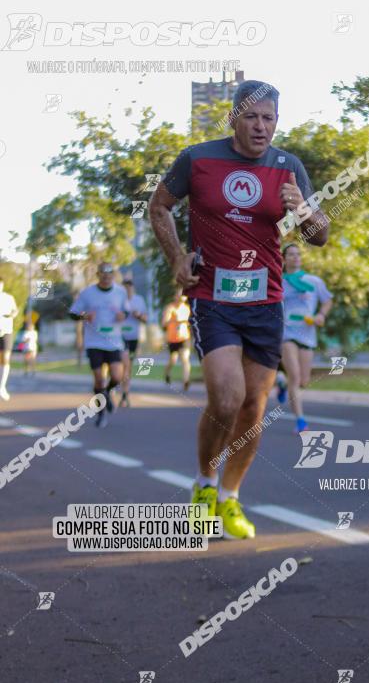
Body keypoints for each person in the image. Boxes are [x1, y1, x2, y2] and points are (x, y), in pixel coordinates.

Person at [149, 79, 329, 539]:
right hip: (213, 297)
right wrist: (176, 257)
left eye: (269, 118)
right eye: (251, 116)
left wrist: (305, 213)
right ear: (233, 118)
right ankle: (205, 485)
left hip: (265, 302)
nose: (261, 126)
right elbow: (159, 206)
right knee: (226, 399)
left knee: (252, 407)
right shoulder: (198, 158)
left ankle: (230, 497)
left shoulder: (288, 166)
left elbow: (320, 235)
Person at [278, 243, 333, 432]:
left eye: (298, 254)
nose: (295, 257)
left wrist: (321, 316)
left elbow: (327, 301)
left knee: (303, 381)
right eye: (291, 255)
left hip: (308, 334)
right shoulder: (278, 282)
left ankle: (282, 383)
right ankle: (301, 421)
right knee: (295, 377)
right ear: (284, 259)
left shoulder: (314, 281)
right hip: (287, 333)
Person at [69, 262, 128, 428]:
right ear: (98, 276)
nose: (106, 278)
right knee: (99, 379)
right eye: (103, 275)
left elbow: (126, 311)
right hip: (94, 342)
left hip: (114, 341)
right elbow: (73, 313)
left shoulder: (120, 292)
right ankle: (101, 414)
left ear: (113, 276)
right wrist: (85, 316)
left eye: (109, 275)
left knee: (117, 376)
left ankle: (108, 392)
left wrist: (122, 315)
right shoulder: (88, 293)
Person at [120, 278, 147, 406]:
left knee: (128, 366)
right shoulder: (117, 300)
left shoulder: (139, 300)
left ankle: (125, 393)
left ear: (132, 288)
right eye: (124, 289)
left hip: (133, 337)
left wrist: (139, 316)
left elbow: (146, 318)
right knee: (121, 365)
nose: (127, 291)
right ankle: (116, 387)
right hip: (118, 337)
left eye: (129, 288)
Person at [162, 289, 192, 391]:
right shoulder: (170, 308)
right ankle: (167, 374)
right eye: (179, 296)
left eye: (183, 297)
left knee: (185, 359)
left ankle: (186, 381)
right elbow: (164, 323)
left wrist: (186, 322)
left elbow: (190, 322)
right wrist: (175, 320)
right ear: (176, 297)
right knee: (173, 360)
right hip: (172, 339)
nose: (181, 299)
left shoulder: (187, 309)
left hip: (184, 337)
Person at [0, 278, 19, 401]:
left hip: (6, 331)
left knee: (5, 358)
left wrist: (13, 314)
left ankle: (2, 387)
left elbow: (15, 310)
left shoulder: (8, 298)